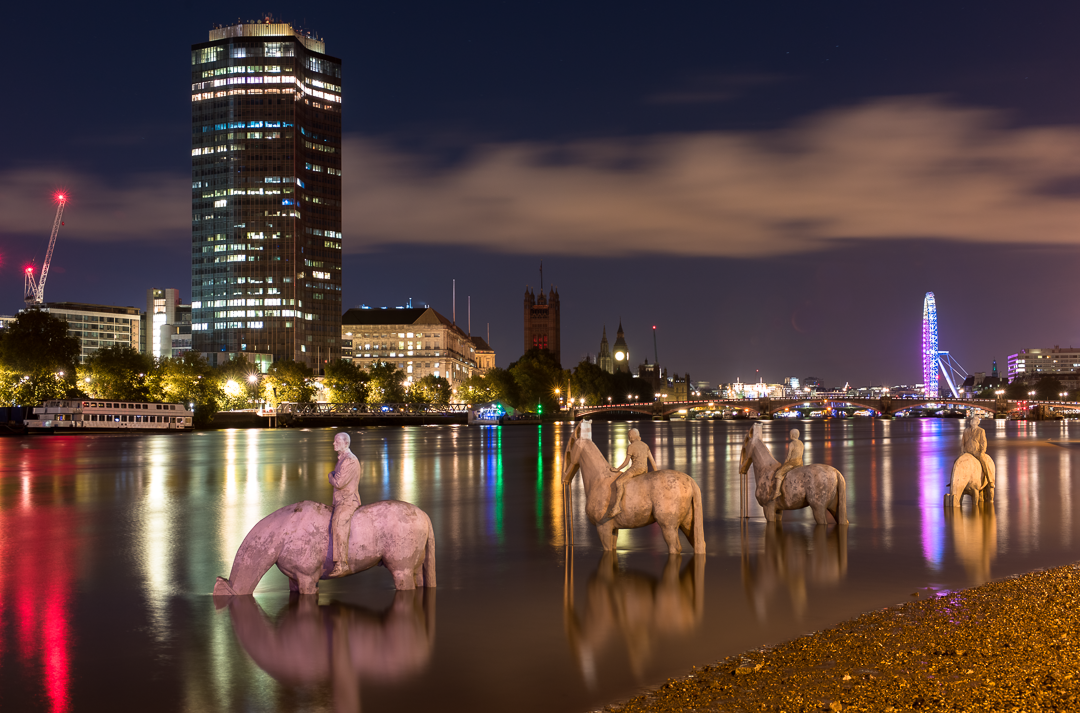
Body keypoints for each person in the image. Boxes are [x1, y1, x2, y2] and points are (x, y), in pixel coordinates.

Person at [328, 432, 362, 577]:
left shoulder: (350, 460)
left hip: (348, 501)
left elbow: (338, 482)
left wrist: (330, 475)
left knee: (338, 523)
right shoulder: (342, 459)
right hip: (340, 501)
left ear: (346, 443)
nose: (333, 444)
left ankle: (341, 563)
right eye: (334, 441)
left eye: (337, 442)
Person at [606, 428, 657, 521]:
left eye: (628, 437)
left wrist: (617, 469)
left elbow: (626, 462)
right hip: (645, 470)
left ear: (630, 437)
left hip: (635, 470)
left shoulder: (631, 446)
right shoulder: (645, 445)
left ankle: (616, 507)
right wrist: (656, 473)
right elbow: (653, 462)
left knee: (619, 482)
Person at [771, 429, 804, 500]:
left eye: (790, 434)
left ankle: (777, 492)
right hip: (800, 463)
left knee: (779, 473)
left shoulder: (792, 444)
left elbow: (789, 456)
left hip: (792, 463)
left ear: (792, 435)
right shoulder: (801, 443)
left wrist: (784, 463)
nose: (789, 435)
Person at [962, 415, 993, 488]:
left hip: (976, 452)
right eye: (971, 420)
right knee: (957, 462)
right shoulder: (966, 430)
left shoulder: (981, 431)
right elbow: (962, 442)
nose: (972, 421)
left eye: (974, 420)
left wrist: (982, 452)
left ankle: (990, 479)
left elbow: (983, 442)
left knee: (984, 462)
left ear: (977, 422)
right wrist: (962, 451)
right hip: (967, 452)